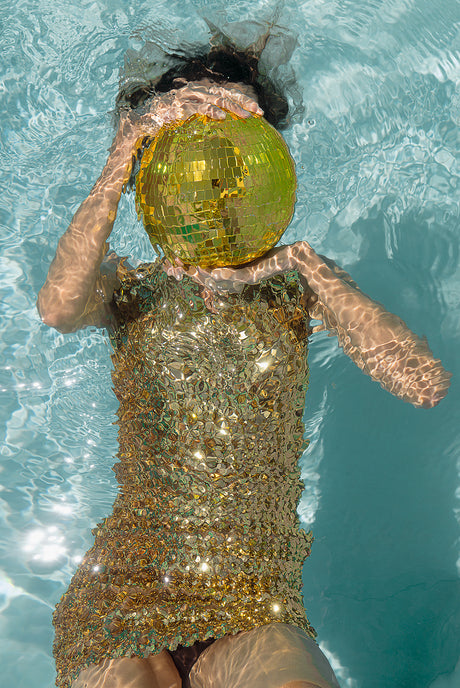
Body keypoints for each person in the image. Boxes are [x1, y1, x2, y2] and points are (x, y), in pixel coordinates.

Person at [37, 38, 451, 688]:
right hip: (126, 592)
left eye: (235, 158)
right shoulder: (131, 289)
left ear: (264, 165)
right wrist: (126, 147)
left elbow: (421, 382)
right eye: (194, 153)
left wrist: (305, 265)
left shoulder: (295, 288)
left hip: (253, 602)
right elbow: (58, 307)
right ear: (162, 166)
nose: (216, 185)